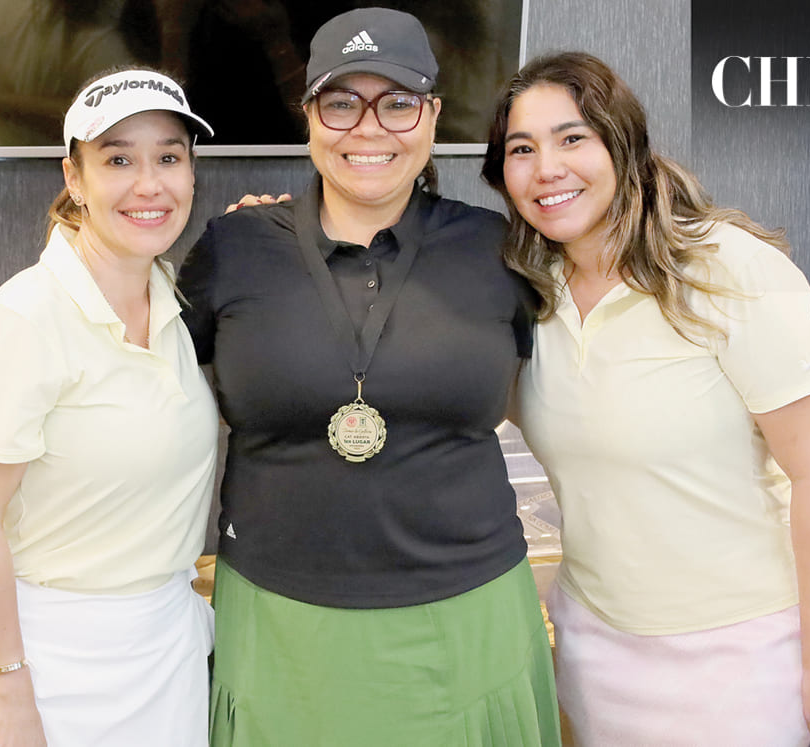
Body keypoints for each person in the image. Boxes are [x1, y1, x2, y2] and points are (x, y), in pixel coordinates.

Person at [177, 8, 560, 746]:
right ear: (309, 116)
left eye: (398, 102)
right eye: (342, 102)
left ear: (433, 116)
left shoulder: (498, 250)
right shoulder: (235, 247)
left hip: (468, 615)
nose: (369, 127)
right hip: (280, 619)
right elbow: (156, 395)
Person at [481, 52, 810, 747]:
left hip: (741, 655)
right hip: (594, 648)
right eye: (522, 149)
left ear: (622, 143)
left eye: (572, 138)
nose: (547, 168)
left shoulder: (729, 269)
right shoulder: (525, 290)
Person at [0, 68, 219, 747]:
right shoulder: (24, 318)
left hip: (163, 653)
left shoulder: (176, 300)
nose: (149, 184)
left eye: (169, 158)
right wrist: (9, 694)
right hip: (39, 660)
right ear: (74, 177)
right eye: (118, 159)